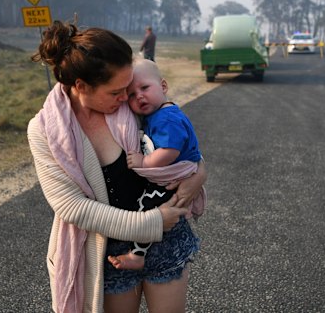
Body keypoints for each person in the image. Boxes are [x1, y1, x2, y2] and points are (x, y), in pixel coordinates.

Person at [27, 21, 206, 313]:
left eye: (128, 87)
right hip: (107, 253)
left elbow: (178, 142)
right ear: (81, 87)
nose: (127, 98)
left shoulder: (131, 102)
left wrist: (199, 174)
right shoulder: (45, 131)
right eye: (115, 92)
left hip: (167, 239)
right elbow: (72, 207)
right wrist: (152, 223)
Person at [107, 59, 205, 271]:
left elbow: (169, 152)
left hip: (173, 178)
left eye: (144, 88)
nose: (139, 96)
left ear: (163, 86)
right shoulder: (157, 114)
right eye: (132, 94)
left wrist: (144, 161)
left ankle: (137, 254)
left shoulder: (166, 117)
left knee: (147, 207)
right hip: (176, 175)